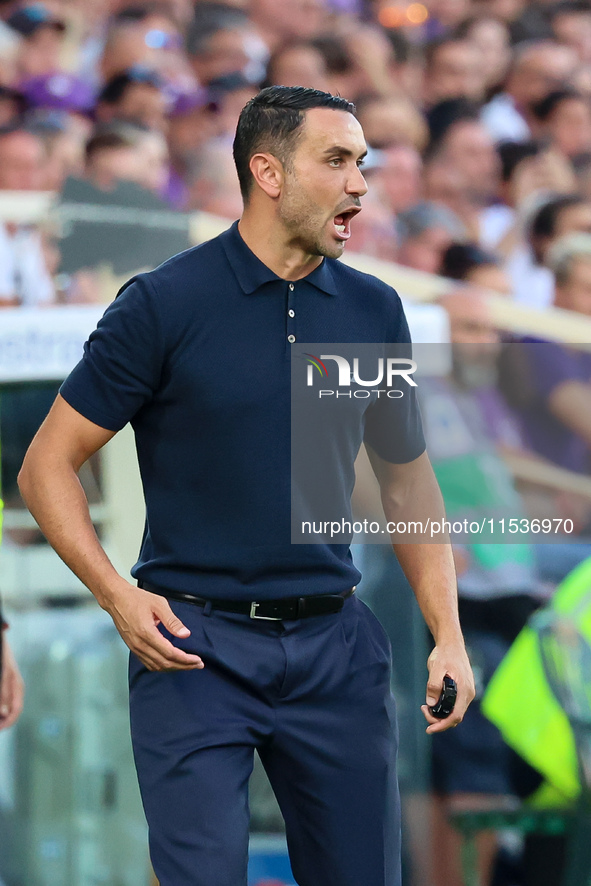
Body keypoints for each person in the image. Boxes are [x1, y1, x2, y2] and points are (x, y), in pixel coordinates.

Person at [18, 86, 474, 886]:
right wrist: (118, 597)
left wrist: (446, 632)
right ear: (267, 171)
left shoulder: (372, 308)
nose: (360, 185)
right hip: (192, 653)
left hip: (337, 647)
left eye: (361, 163)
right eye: (336, 161)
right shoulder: (164, 302)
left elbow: (406, 484)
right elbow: (45, 465)